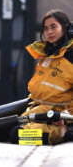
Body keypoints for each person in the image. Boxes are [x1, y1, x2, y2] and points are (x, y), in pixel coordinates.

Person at [8, 9, 73, 145]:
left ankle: (64, 135)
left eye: (53, 27)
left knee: (17, 135)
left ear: (65, 27)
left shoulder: (70, 55)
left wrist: (66, 117)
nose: (49, 32)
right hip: (38, 111)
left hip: (58, 116)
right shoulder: (48, 54)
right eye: (45, 28)